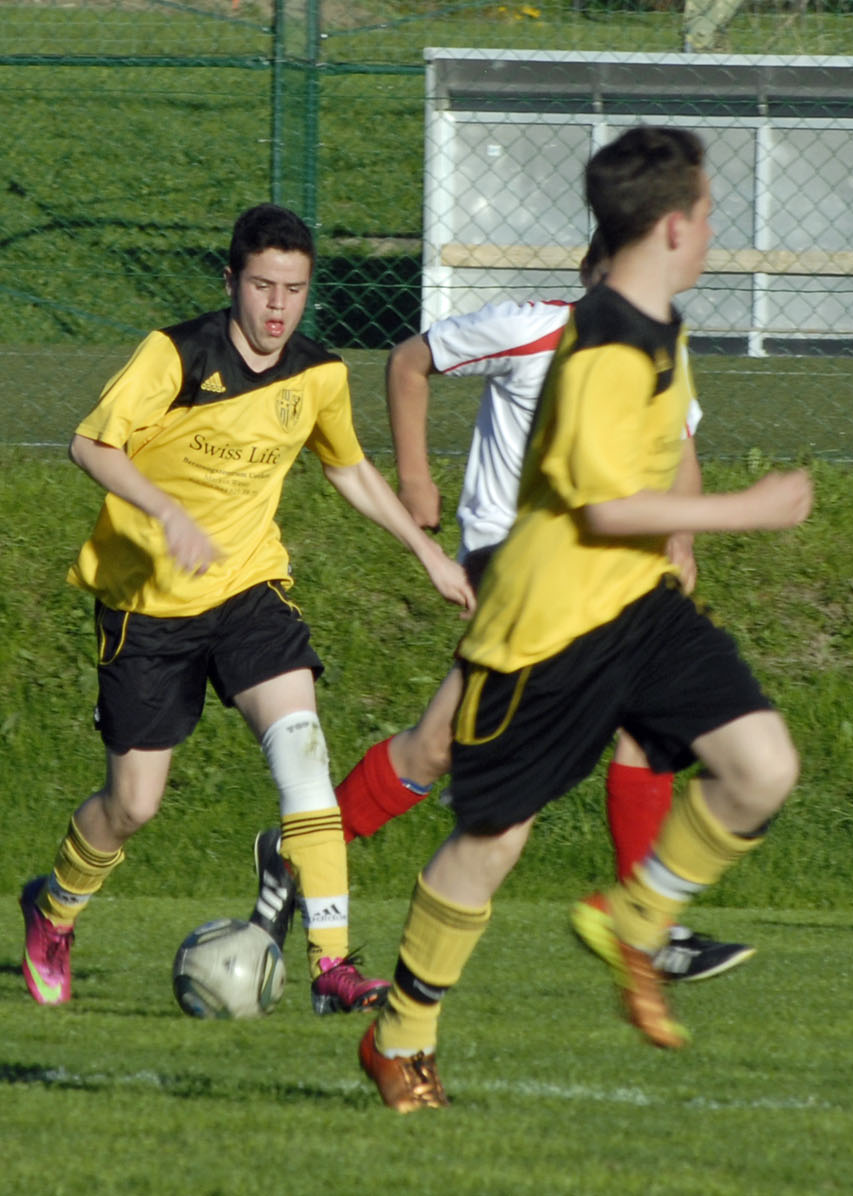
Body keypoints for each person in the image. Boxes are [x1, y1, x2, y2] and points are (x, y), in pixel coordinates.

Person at [356, 126, 814, 1111]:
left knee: (762, 766)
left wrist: (685, 535)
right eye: (708, 212)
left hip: (635, 605)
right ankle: (399, 1032)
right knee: (493, 837)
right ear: (673, 226)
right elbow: (602, 508)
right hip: (545, 623)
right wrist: (747, 509)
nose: (714, 230)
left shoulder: (661, 327)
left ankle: (633, 919)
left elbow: (660, 463)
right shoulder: (602, 344)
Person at [248, 230, 755, 986]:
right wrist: (415, 477)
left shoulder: (662, 353)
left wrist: (680, 538)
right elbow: (409, 360)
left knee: (627, 728)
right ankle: (303, 857)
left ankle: (642, 926)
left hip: (611, 577)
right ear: (591, 272)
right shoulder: (531, 328)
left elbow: (680, 450)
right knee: (449, 754)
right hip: (516, 572)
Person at [18, 203, 475, 1016]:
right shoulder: (176, 355)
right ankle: (52, 910)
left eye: (293, 290)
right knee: (133, 804)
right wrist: (166, 512)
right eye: (262, 285)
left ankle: (330, 965)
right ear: (230, 281)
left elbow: (348, 469)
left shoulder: (317, 374)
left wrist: (426, 552)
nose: (276, 307)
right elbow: (90, 445)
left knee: (303, 755)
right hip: (146, 605)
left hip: (248, 590)